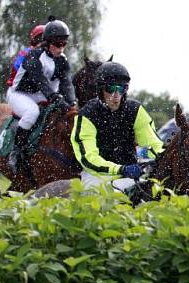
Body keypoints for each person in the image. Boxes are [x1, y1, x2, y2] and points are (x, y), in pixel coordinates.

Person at [70, 61, 164, 193]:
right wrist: (120, 169)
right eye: (110, 88)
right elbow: (88, 158)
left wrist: (162, 158)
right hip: (96, 176)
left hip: (130, 173)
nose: (116, 95)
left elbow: (153, 145)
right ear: (100, 89)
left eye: (121, 88)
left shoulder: (135, 110)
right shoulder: (86, 115)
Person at [6, 18, 77, 174]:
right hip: (19, 94)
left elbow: (66, 83)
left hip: (41, 94)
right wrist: (54, 97)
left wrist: (71, 102)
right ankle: (16, 152)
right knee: (32, 113)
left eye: (64, 44)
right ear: (47, 42)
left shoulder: (62, 60)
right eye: (58, 44)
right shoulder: (33, 56)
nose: (61, 48)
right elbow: (40, 81)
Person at [6, 24, 46, 88]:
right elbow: (16, 68)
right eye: (38, 40)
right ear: (33, 41)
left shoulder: (55, 55)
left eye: (44, 40)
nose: (41, 43)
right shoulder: (26, 53)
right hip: (22, 89)